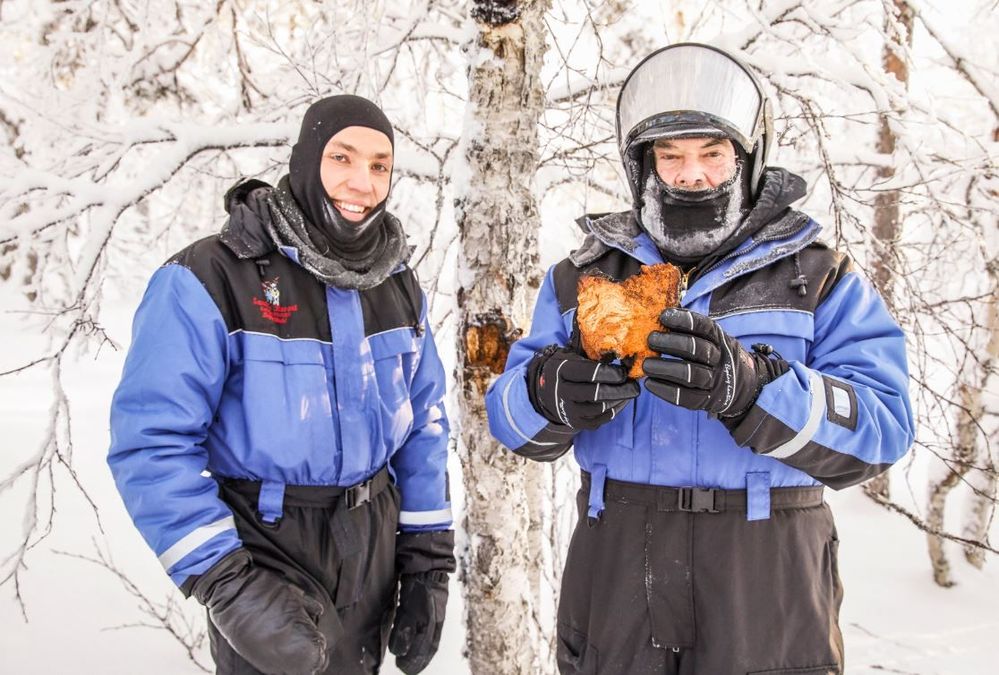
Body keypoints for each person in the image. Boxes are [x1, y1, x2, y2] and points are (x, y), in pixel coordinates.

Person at [486, 43, 914, 675]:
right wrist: (548, 388)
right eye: (671, 155)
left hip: (766, 568)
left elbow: (883, 428)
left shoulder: (819, 278)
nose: (691, 175)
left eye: (712, 154)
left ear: (746, 160)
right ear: (643, 165)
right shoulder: (583, 277)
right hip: (619, 561)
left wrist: (753, 390)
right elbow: (508, 419)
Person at [108, 95, 455, 675]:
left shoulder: (393, 282)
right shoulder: (212, 277)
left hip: (372, 547)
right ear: (305, 160)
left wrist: (426, 560)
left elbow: (425, 426)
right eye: (342, 158)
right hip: (265, 554)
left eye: (379, 165)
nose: (361, 182)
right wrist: (226, 582)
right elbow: (150, 442)